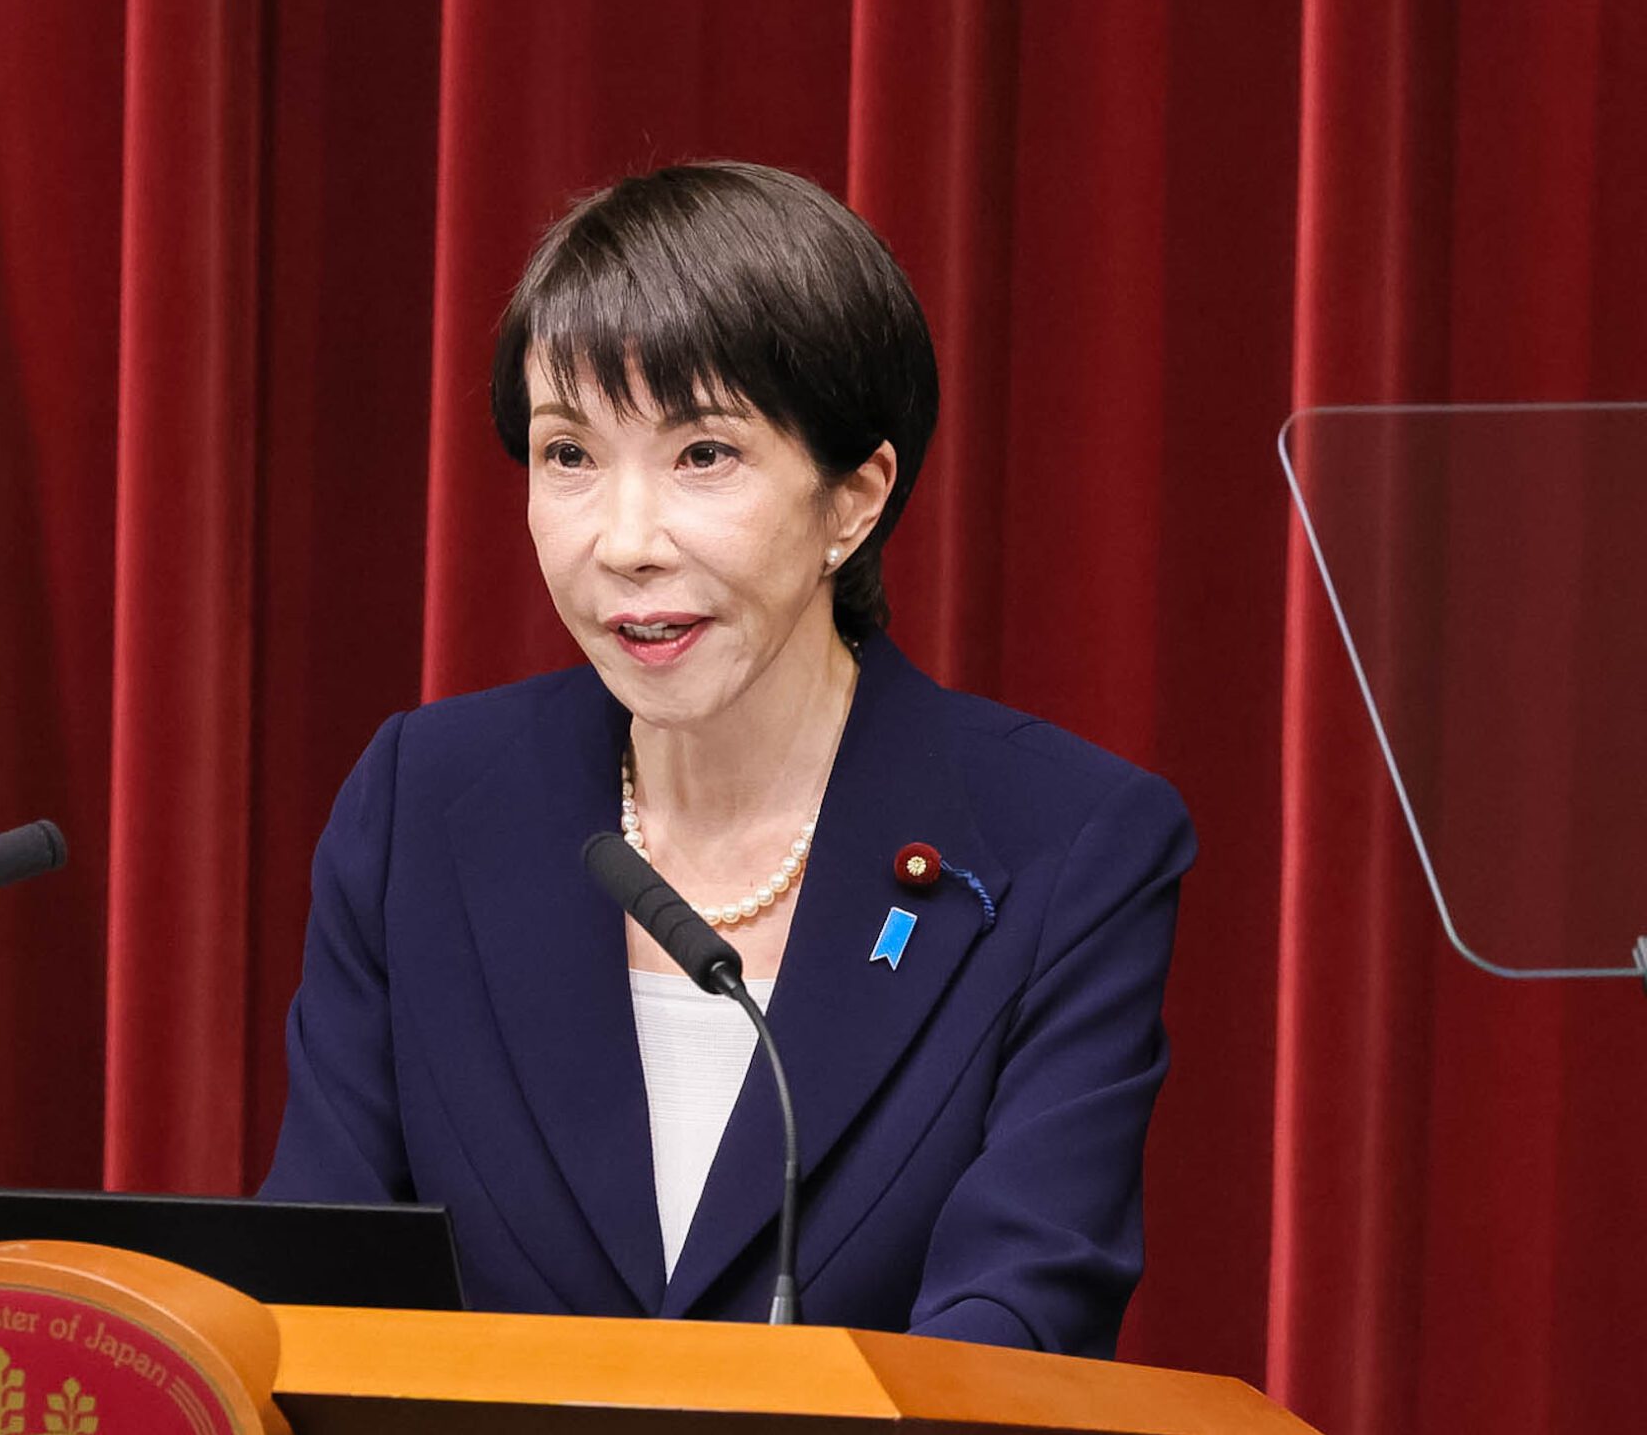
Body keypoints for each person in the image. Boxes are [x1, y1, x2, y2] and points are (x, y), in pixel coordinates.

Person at [259, 162, 1193, 1357]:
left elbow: (1021, 1321)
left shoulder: (1063, 843)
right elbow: (319, 1290)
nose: (624, 542)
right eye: (567, 455)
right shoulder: (424, 803)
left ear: (852, 500)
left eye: (702, 454)